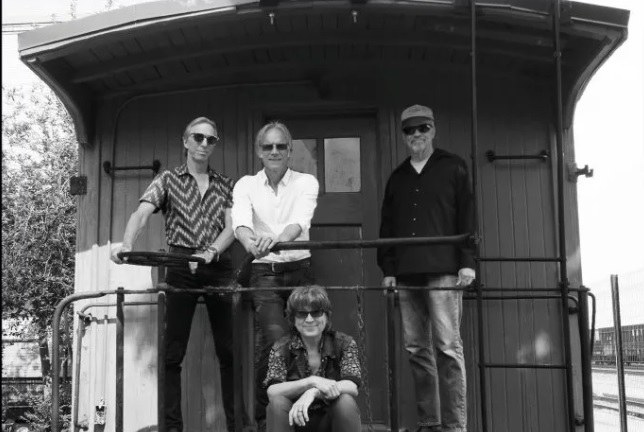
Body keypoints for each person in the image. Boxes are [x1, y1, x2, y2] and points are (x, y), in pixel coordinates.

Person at [110, 117, 236, 432]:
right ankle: (172, 427)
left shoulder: (225, 183)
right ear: (185, 141)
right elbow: (141, 213)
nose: (204, 144)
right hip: (180, 262)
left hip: (216, 263)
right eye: (198, 137)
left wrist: (210, 252)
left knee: (228, 350)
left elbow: (232, 227)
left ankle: (237, 426)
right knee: (172, 352)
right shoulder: (167, 179)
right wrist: (126, 245)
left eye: (211, 139)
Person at [377, 104, 475, 432]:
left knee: (448, 347)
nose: (416, 134)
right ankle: (430, 423)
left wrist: (467, 263)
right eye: (409, 130)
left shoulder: (453, 166)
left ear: (433, 129)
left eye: (422, 128)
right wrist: (388, 269)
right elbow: (387, 226)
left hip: (445, 270)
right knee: (416, 349)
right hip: (406, 273)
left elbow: (468, 216)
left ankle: (455, 427)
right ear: (404, 135)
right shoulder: (397, 178)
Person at [231, 121, 319, 431]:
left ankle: (303, 418)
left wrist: (276, 239)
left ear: (290, 150)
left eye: (281, 146)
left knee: (306, 341)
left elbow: (300, 222)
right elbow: (240, 223)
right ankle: (265, 421)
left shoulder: (306, 182)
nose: (274, 151)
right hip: (263, 271)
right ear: (259, 151)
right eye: (268, 146)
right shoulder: (246, 185)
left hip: (299, 269)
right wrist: (250, 242)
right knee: (274, 342)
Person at [264, 285, 362, 432]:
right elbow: (273, 391)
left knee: (345, 402)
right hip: (294, 419)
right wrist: (311, 381)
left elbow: (351, 386)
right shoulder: (282, 347)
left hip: (330, 419)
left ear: (326, 316)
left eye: (316, 313)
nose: (309, 319)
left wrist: (314, 391)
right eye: (302, 314)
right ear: (293, 319)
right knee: (277, 403)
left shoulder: (344, 343)